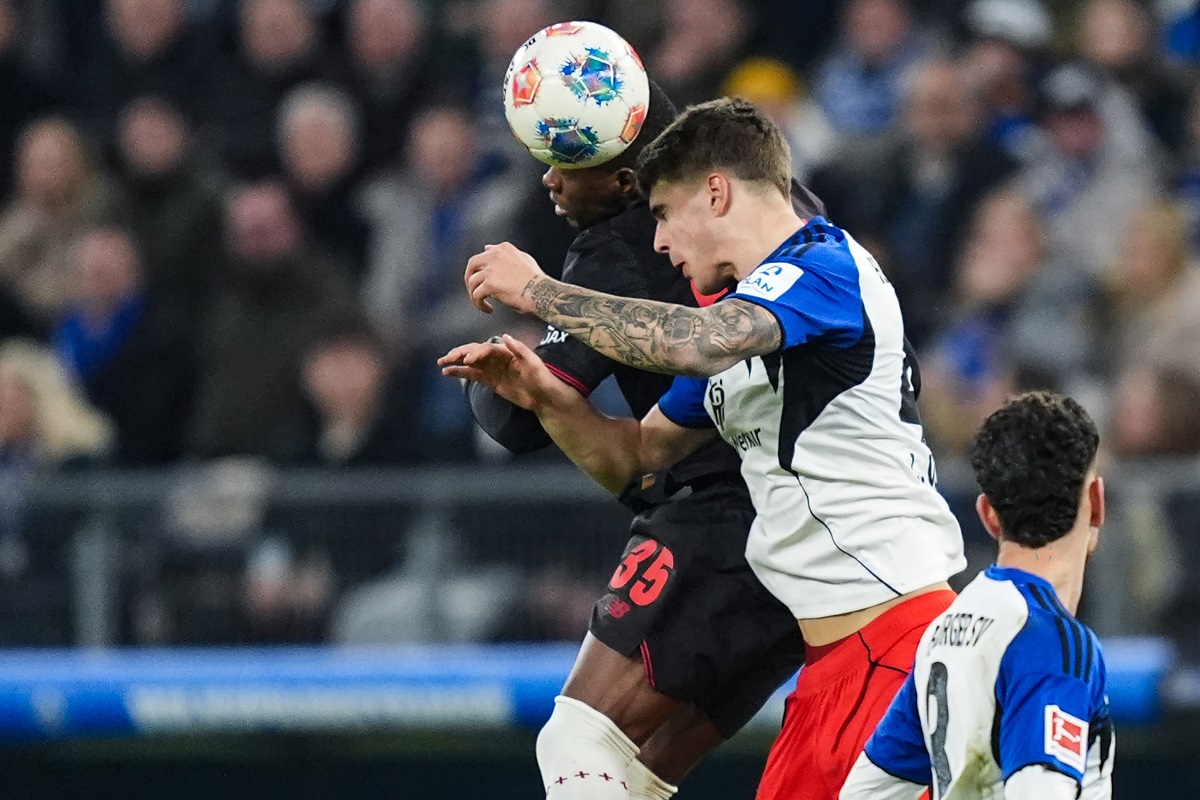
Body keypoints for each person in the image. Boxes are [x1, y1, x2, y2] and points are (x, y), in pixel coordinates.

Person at [441, 97, 965, 799]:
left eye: (662, 213)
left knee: (574, 739)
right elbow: (633, 455)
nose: (657, 242)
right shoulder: (747, 338)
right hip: (830, 660)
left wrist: (540, 292)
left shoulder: (825, 266)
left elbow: (689, 342)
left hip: (894, 642)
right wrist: (545, 396)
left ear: (716, 192)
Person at [460, 83, 805, 799]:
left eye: (565, 159)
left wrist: (530, 307)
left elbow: (516, 423)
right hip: (810, 546)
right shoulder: (801, 225)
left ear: (627, 181)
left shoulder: (619, 253)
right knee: (641, 776)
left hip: (722, 529)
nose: (549, 180)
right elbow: (637, 457)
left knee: (577, 737)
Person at [839, 391, 1115, 799]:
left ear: (987, 515)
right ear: (1096, 502)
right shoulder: (1055, 644)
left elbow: (863, 794)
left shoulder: (942, 631)